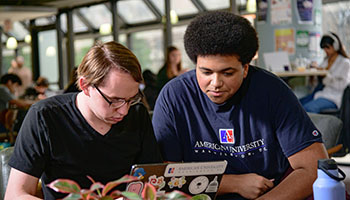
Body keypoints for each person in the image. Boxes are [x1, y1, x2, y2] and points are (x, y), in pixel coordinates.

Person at [152, 11, 328, 200]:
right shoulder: (174, 96)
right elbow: (164, 177)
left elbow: (313, 168)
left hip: (272, 192)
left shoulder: (272, 91)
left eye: (227, 73)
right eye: (206, 72)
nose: (215, 83)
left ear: (245, 68)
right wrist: (234, 183)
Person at [5, 41, 163, 199]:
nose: (124, 110)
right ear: (85, 85)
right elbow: (15, 195)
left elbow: (154, 183)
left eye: (131, 99)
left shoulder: (137, 114)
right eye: (114, 100)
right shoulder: (45, 117)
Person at [300, 32, 350, 113]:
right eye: (324, 48)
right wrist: (314, 76)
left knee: (308, 109)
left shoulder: (345, 63)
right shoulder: (325, 61)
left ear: (336, 46)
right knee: (298, 104)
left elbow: (343, 86)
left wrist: (326, 77)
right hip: (322, 93)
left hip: (335, 96)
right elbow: (316, 84)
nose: (326, 50)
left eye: (328, 47)